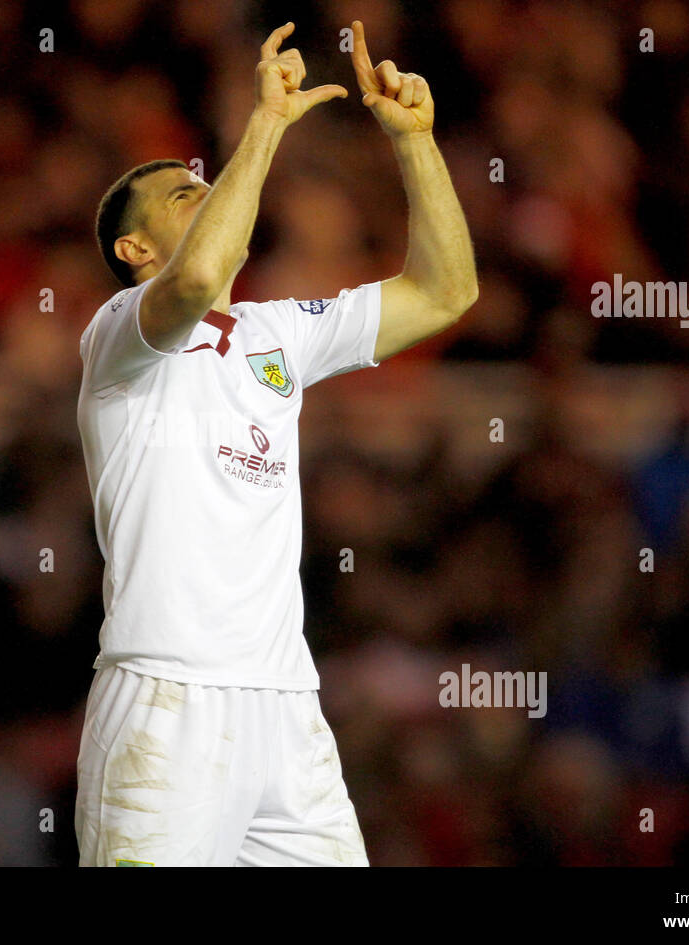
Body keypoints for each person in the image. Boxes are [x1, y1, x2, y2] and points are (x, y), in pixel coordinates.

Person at [75, 20, 478, 865]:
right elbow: (191, 280)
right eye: (187, 194)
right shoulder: (120, 336)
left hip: (286, 707)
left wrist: (417, 144)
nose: (212, 194)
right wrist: (264, 126)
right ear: (133, 248)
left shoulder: (277, 334)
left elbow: (444, 293)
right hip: (166, 701)